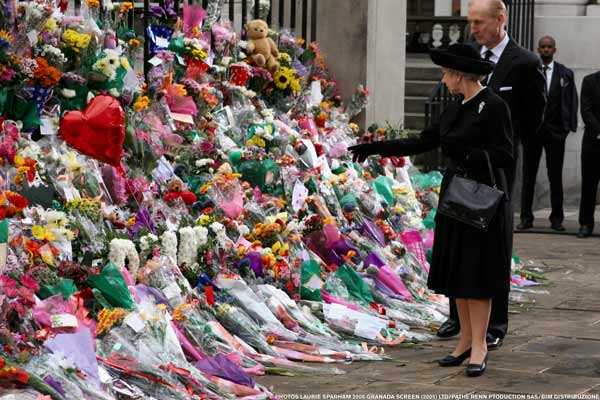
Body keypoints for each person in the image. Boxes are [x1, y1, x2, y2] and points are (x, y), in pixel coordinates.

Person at [349, 43, 513, 377]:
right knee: (460, 273)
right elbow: (423, 141)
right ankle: (465, 340)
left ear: (458, 75)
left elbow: (505, 156)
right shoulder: (455, 108)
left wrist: (466, 152)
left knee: (478, 275)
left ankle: (480, 346)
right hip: (455, 198)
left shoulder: (493, 106)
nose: (443, 78)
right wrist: (375, 148)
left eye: (446, 73)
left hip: (482, 202)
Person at [436, 0, 547, 348]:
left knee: (493, 246)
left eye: (479, 22)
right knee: (458, 238)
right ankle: (459, 320)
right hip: (462, 167)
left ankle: (494, 326)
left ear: (500, 20)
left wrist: (504, 148)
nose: (474, 28)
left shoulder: (525, 62)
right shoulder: (467, 56)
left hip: (496, 170)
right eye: (470, 22)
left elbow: (533, 118)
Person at [519, 36, 578, 232]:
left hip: (555, 132)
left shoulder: (565, 74)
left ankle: (557, 219)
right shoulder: (529, 72)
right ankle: (526, 217)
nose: (545, 50)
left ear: (554, 49)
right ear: (538, 49)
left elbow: (571, 101)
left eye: (549, 47)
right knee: (528, 175)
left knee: (555, 176)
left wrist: (567, 128)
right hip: (532, 132)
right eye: (542, 47)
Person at [577, 71, 600, 238]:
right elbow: (586, 110)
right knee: (589, 185)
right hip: (593, 143)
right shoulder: (590, 81)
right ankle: (585, 224)